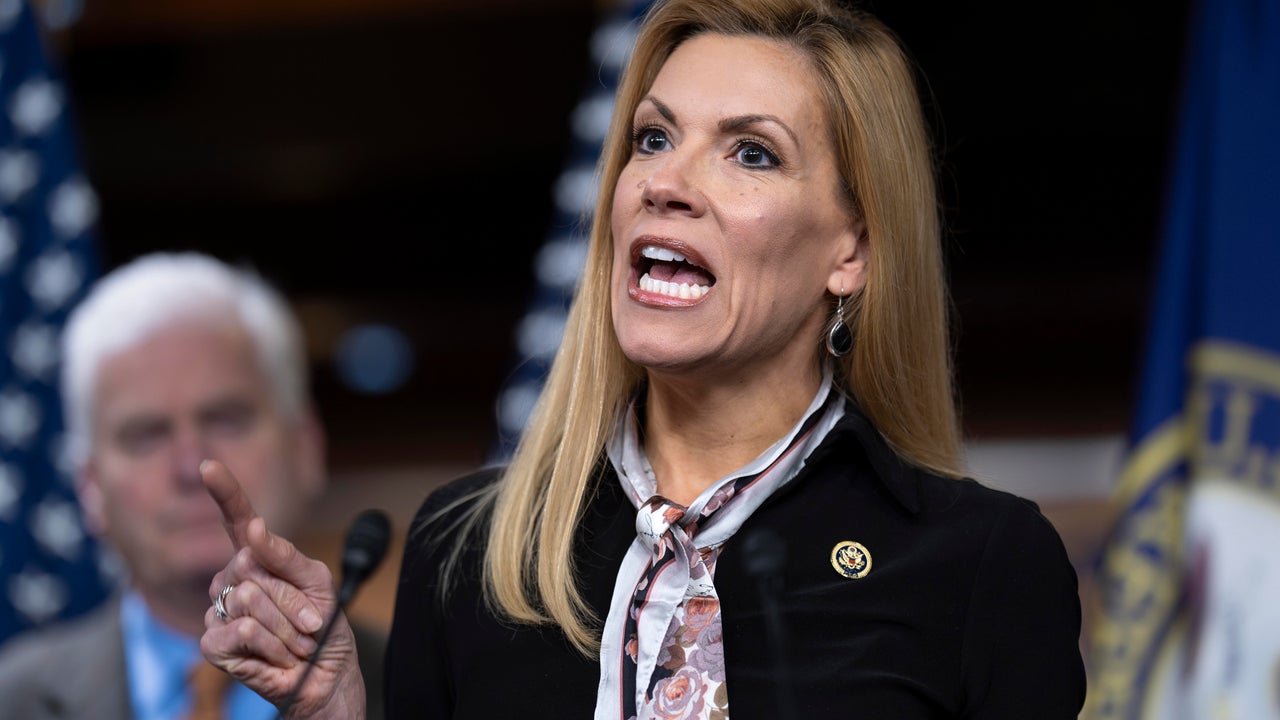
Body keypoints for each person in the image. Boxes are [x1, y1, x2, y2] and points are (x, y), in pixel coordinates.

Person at [198, 0, 1087, 717]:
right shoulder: (468, 547)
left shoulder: (983, 566)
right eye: (653, 138)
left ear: (850, 250)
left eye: (750, 153)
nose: (665, 183)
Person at [0, 253, 385, 719]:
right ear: (90, 486)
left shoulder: (430, 686)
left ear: (306, 448)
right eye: (145, 435)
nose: (191, 467)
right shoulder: (10, 700)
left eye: (227, 419)